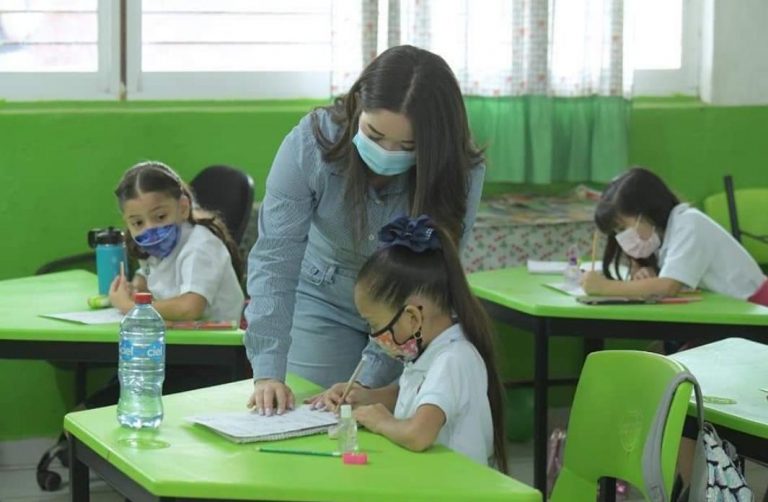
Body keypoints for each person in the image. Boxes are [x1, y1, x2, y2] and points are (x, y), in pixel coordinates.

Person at [245, 45, 485, 416]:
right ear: (357, 102)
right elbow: (276, 257)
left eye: (408, 146)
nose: (387, 153)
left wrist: (371, 376)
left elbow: (431, 279)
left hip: (408, 314)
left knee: (388, 426)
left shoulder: (460, 170)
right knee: (316, 417)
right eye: (373, 135)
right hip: (323, 297)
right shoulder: (311, 144)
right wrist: (268, 371)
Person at [317, 215, 507, 471]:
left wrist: (381, 421)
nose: (374, 336)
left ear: (412, 317)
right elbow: (413, 396)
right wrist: (364, 397)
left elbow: (419, 434)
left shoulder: (452, 359)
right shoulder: (432, 350)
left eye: (374, 324)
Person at [581, 166, 767, 307]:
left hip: (756, 310)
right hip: (731, 310)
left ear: (646, 212)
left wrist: (604, 288)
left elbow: (668, 287)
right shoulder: (666, 238)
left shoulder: (689, 223)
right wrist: (649, 277)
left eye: (622, 228)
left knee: (664, 356)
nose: (622, 238)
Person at [110, 161, 245, 321]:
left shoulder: (201, 246)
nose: (150, 229)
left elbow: (189, 308)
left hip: (218, 342)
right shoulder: (153, 248)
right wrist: (136, 286)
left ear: (183, 208)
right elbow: (151, 274)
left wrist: (130, 307)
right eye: (138, 223)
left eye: (160, 217)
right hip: (183, 336)